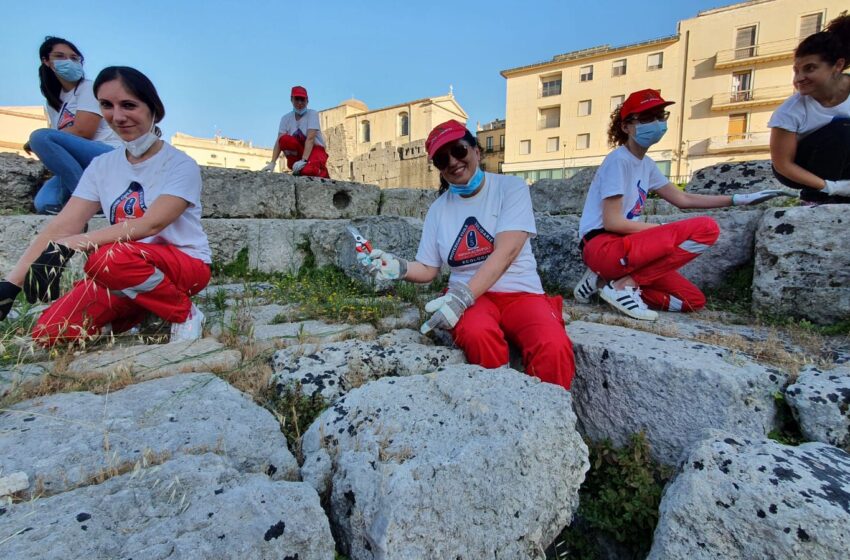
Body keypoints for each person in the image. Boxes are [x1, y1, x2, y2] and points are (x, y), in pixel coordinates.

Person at [0, 66, 211, 346]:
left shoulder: (180, 164)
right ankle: (140, 311)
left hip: (183, 265)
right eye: (106, 106)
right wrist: (11, 284)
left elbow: (152, 224)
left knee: (107, 258)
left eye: (129, 105)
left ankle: (184, 314)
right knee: (50, 332)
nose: (118, 116)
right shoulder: (102, 166)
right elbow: (65, 223)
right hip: (123, 269)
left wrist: (72, 244)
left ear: (153, 109)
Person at [359, 120, 575, 390]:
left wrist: (460, 299)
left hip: (520, 292)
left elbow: (507, 252)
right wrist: (397, 267)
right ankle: (499, 402)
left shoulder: (511, 189)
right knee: (477, 334)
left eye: (459, 150)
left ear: (476, 151)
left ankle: (549, 416)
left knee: (552, 346)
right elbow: (428, 268)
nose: (452, 161)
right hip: (473, 300)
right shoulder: (438, 210)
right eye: (441, 158)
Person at [574, 89, 788, 321]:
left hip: (627, 249)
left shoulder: (646, 164)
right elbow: (612, 221)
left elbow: (683, 199)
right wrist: (665, 231)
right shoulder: (619, 160)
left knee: (692, 300)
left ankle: (604, 281)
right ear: (626, 127)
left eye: (659, 115)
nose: (655, 123)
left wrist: (737, 199)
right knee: (706, 229)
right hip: (602, 245)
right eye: (645, 118)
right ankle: (623, 285)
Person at [25, 37, 123, 214]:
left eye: (74, 58)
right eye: (60, 56)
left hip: (108, 154)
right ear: (46, 61)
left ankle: (88, 202)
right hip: (82, 164)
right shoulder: (55, 101)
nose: (69, 62)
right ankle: (86, 200)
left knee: (40, 137)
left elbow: (84, 131)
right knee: (45, 203)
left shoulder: (89, 88)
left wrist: (40, 141)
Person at [770, 12, 850, 203]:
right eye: (796, 70)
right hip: (804, 169)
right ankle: (819, 196)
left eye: (810, 68)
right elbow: (782, 164)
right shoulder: (790, 111)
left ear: (837, 66)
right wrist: (830, 187)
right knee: (844, 129)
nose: (798, 79)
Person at [262, 86, 330, 178]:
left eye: (302, 100)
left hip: (315, 150)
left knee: (308, 171)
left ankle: (322, 172)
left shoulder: (312, 114)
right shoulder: (285, 119)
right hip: (299, 151)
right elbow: (279, 141)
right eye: (297, 99)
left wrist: (304, 160)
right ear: (291, 99)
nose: (299, 103)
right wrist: (272, 162)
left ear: (307, 101)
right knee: (284, 139)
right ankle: (297, 167)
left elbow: (310, 139)